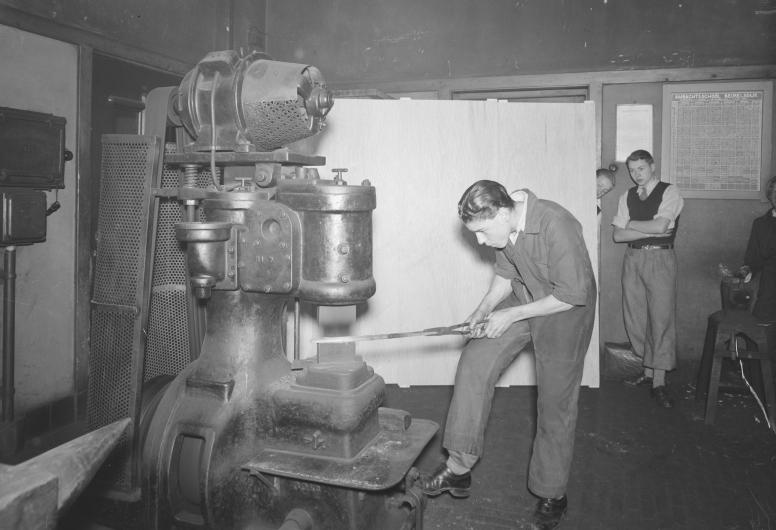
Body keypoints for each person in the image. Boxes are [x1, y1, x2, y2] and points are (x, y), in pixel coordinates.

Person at [419, 180, 596, 530]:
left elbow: (572, 294)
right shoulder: (506, 221)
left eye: (483, 232)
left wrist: (510, 314)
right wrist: (482, 311)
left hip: (564, 311)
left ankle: (552, 495)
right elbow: (506, 273)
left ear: (501, 213)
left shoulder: (556, 225)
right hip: (527, 297)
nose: (481, 242)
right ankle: (458, 469)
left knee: (554, 404)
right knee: (475, 361)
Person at [612, 149, 684, 408]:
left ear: (652, 166)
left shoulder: (669, 191)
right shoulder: (627, 195)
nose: (636, 175)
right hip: (633, 259)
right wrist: (649, 228)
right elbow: (618, 236)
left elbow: (661, 227)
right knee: (636, 316)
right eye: (632, 170)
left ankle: (659, 382)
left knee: (661, 318)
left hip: (660, 259)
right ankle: (648, 371)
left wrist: (631, 223)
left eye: (641, 168)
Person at [743, 175, 776, 321]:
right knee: (761, 323)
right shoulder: (761, 224)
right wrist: (748, 270)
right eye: (775, 192)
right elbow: (753, 257)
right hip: (770, 285)